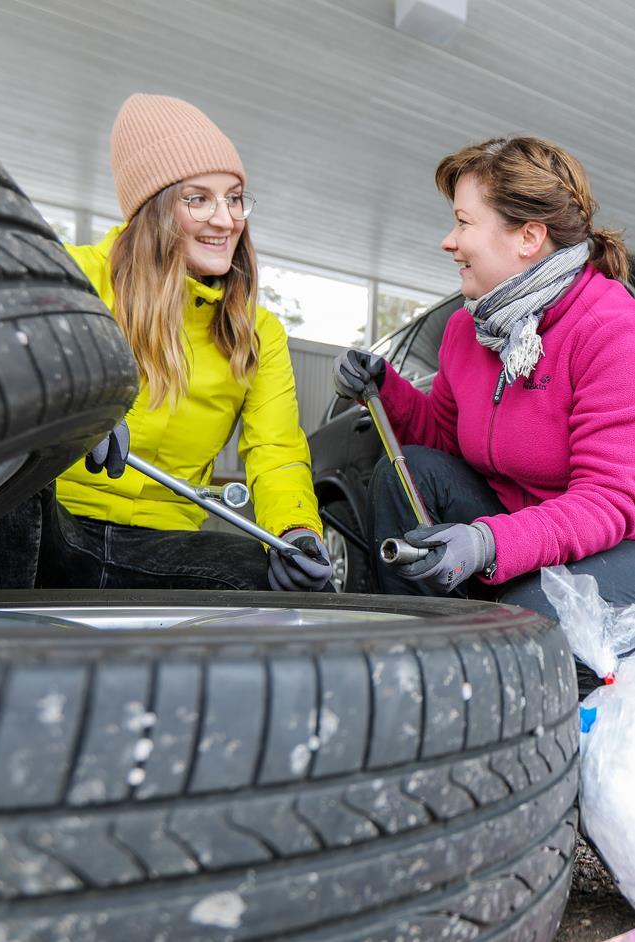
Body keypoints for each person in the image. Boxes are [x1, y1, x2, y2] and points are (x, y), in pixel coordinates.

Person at [334, 136, 635, 637]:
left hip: (613, 540)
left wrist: (488, 543)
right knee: (409, 473)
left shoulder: (610, 327)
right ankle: (415, 648)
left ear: (528, 237)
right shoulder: (467, 329)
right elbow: (447, 443)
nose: (448, 241)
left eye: (463, 222)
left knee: (525, 618)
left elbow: (608, 500)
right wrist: (384, 385)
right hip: (515, 523)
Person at [38, 94, 331, 592]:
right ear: (152, 209)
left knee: (296, 585)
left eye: (234, 197)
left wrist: (296, 529)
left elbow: (276, 450)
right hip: (52, 525)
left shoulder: (258, 332)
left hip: (165, 544)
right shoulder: (71, 277)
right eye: (198, 198)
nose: (226, 219)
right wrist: (69, 414)